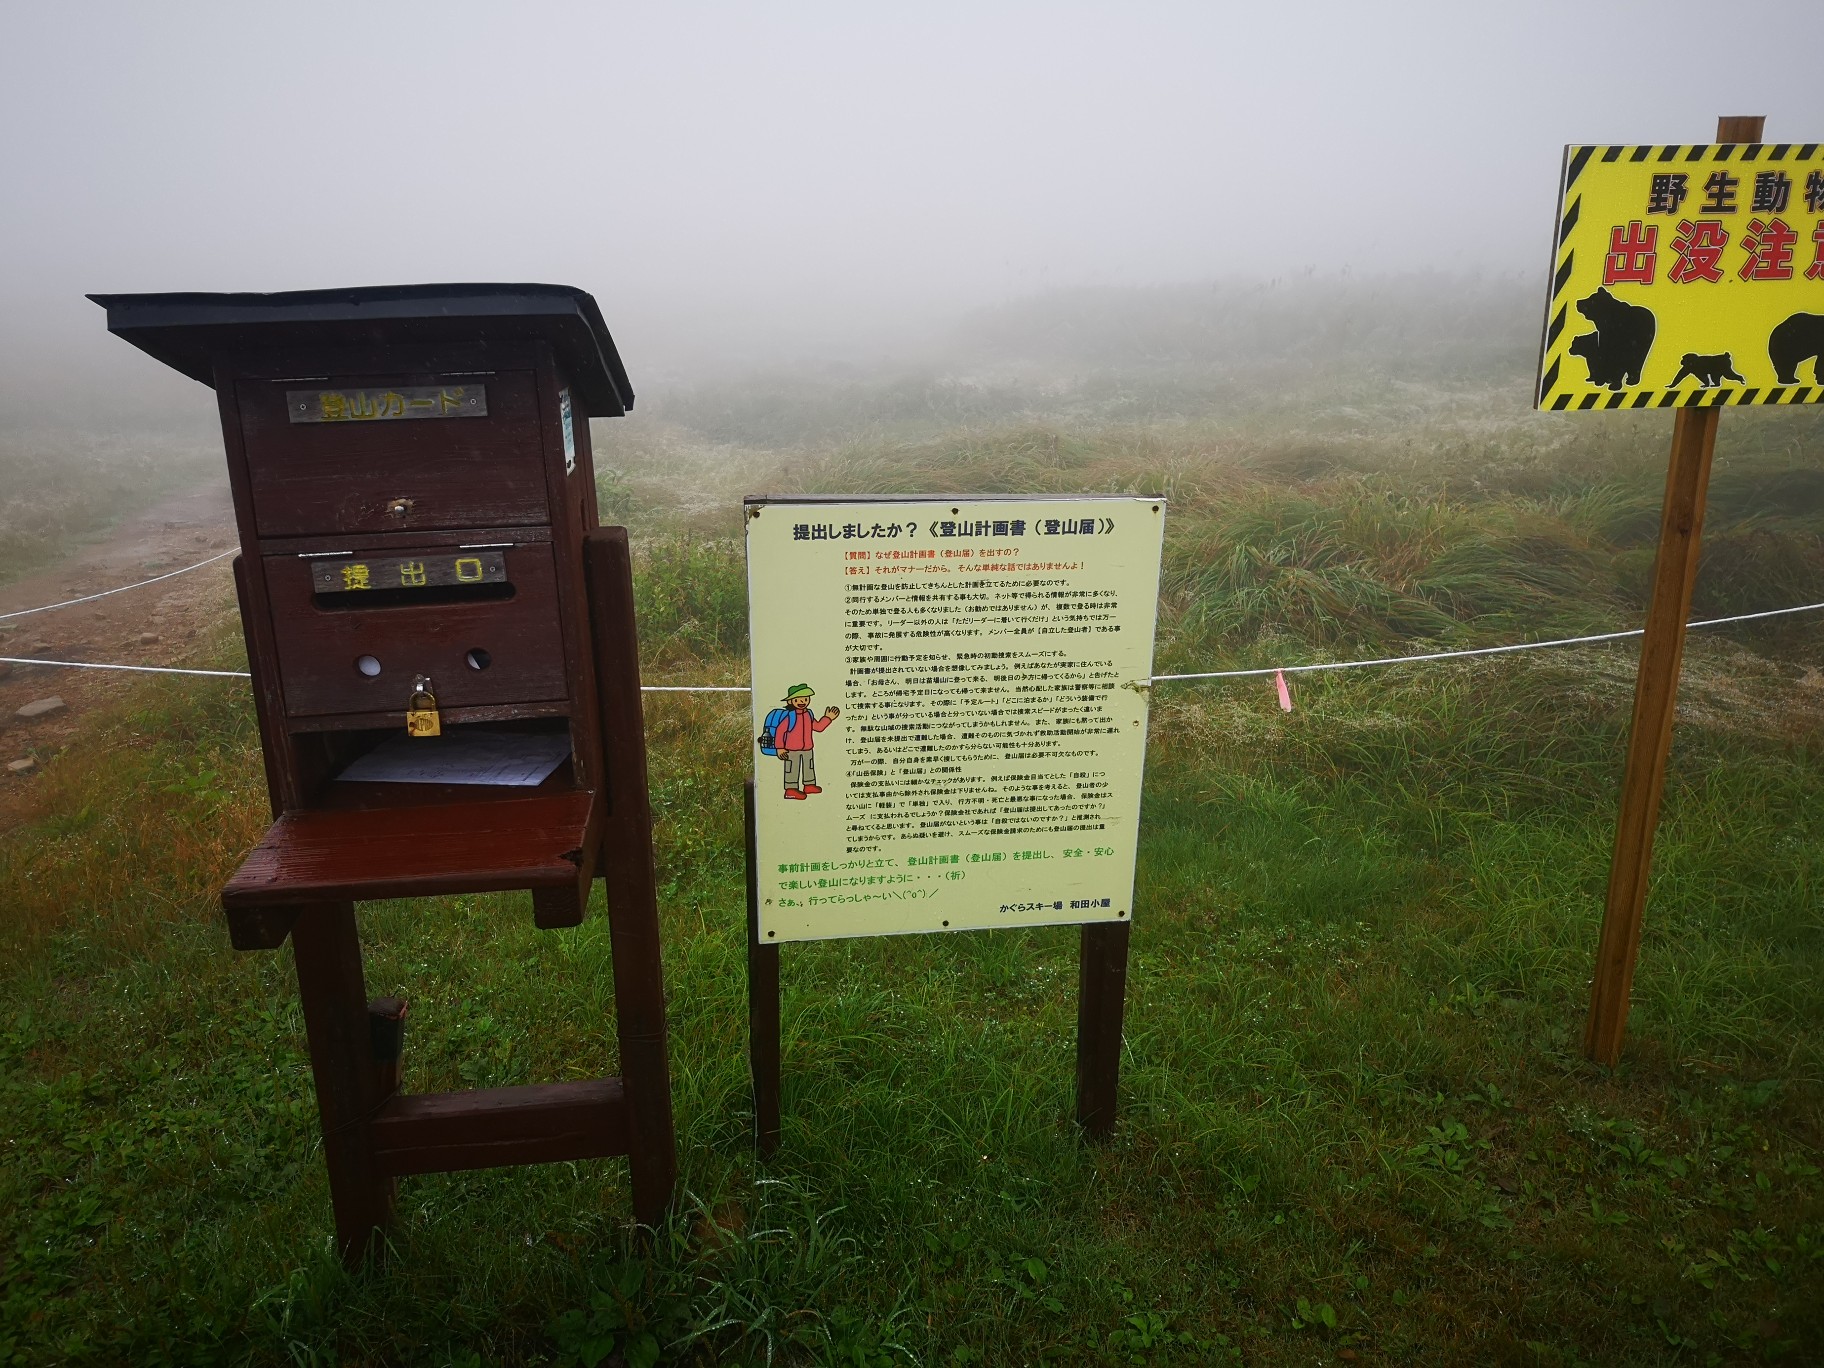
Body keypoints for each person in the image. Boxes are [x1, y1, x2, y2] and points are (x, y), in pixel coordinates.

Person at [773, 683, 838, 799]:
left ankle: (809, 785)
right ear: (790, 702)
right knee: (792, 768)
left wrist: (828, 718)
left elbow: (818, 727)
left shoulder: (808, 714)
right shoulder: (790, 717)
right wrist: (780, 748)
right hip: (791, 749)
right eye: (798, 700)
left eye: (805, 699)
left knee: (809, 766)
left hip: (807, 747)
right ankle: (790, 789)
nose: (802, 702)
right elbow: (780, 731)